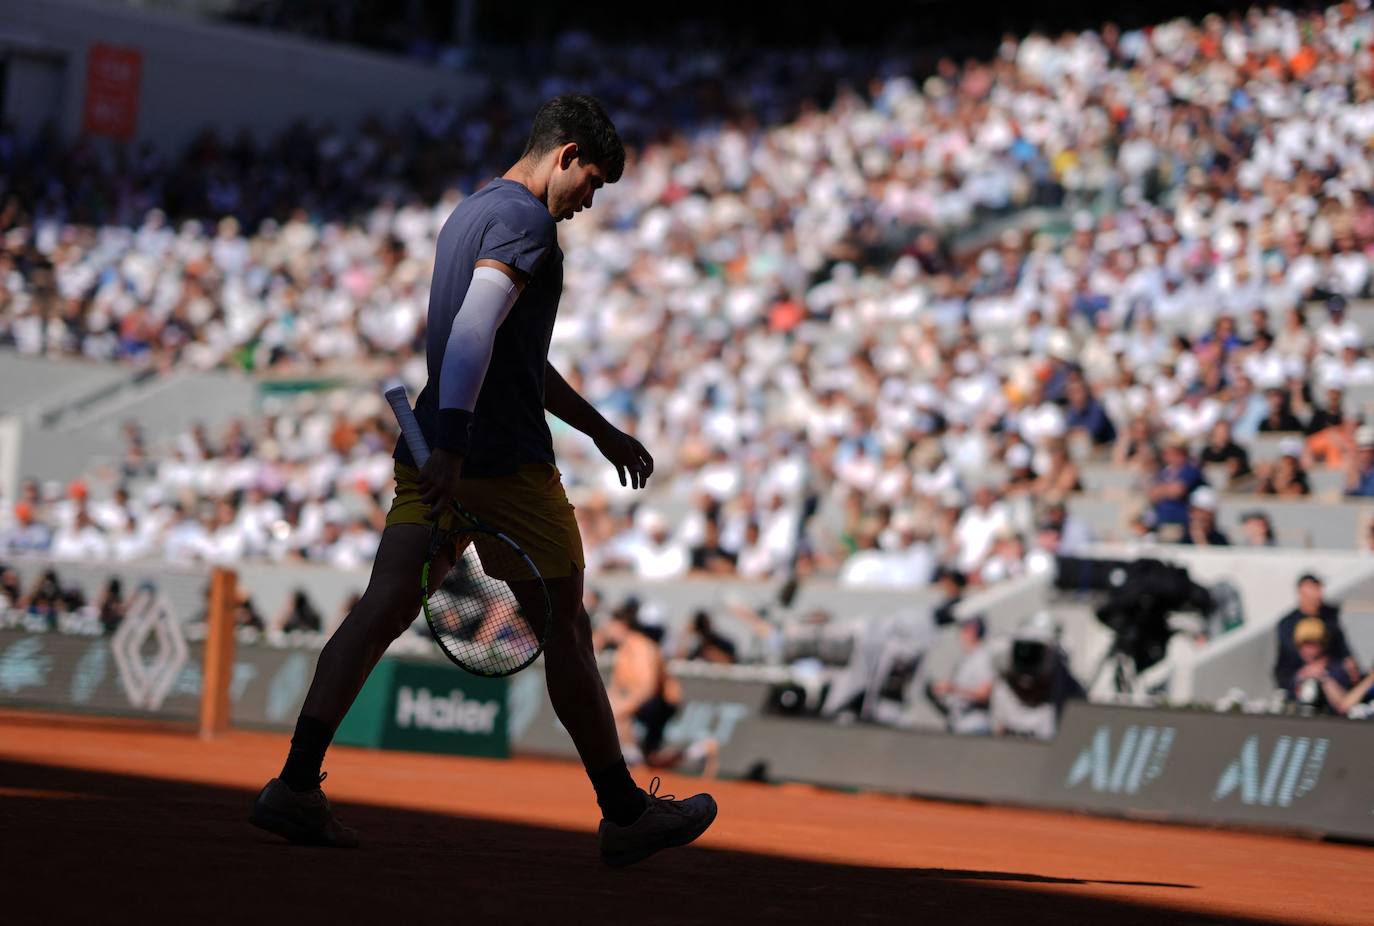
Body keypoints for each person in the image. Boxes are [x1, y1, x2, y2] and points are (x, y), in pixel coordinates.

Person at [252, 96, 716, 864]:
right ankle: (625, 813)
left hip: (436, 448)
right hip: (496, 464)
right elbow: (473, 329)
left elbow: (509, 354)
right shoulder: (527, 223)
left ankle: (294, 787)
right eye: (593, 181)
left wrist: (598, 429)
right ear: (565, 155)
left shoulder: (470, 213)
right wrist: (461, 448)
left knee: (379, 611)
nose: (590, 202)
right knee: (566, 629)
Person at [1273, 574, 1359, 695]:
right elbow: (1292, 652)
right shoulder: (1288, 623)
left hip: (1328, 669)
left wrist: (1348, 661)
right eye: (1313, 590)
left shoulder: (1330, 618)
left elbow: (1340, 646)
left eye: (1319, 590)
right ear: (1301, 593)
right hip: (1296, 673)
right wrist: (1310, 669)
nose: (1318, 595)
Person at [926, 614, 995, 735]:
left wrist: (952, 688)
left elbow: (985, 694)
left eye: (964, 628)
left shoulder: (983, 658)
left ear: (973, 630)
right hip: (960, 724)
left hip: (975, 725)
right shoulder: (968, 658)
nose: (961, 633)